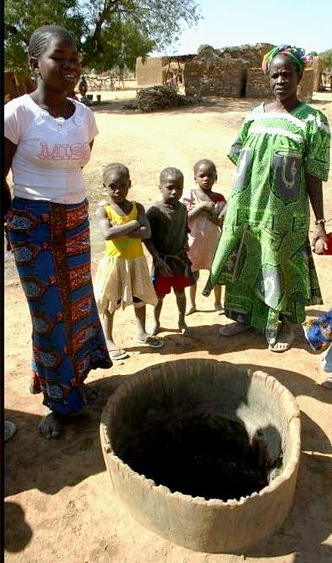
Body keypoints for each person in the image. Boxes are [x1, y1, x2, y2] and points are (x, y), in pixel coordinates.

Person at [3, 24, 110, 440]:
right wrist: (14, 224)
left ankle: (74, 381)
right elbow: (0, 177)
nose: (70, 67)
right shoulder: (17, 114)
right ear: (35, 64)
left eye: (75, 60)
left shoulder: (85, 117)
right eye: (59, 59)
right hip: (32, 223)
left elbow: (79, 165)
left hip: (74, 219)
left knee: (79, 305)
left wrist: (67, 210)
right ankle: (57, 402)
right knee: (49, 314)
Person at [206, 45, 329, 352]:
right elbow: (242, 158)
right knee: (246, 262)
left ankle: (282, 325)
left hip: (285, 214)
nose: (280, 80)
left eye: (287, 74)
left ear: (300, 76)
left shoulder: (313, 121)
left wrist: (320, 222)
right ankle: (243, 317)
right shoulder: (254, 117)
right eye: (274, 74)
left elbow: (313, 174)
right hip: (247, 209)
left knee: (280, 267)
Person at [93, 163, 159, 360]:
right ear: (104, 186)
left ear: (130, 184)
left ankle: (142, 332)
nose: (118, 190)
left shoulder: (137, 207)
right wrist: (134, 224)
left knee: (139, 298)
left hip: (135, 262)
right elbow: (108, 234)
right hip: (114, 263)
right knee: (110, 302)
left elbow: (147, 232)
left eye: (122, 185)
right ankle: (108, 339)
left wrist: (121, 229)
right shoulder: (103, 210)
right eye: (112, 186)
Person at [144, 167, 196, 338]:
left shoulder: (182, 209)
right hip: (162, 262)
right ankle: (156, 322)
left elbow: (184, 228)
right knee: (159, 296)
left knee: (180, 293)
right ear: (160, 187)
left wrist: (185, 244)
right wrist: (158, 260)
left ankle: (181, 320)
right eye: (170, 187)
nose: (175, 192)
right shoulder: (154, 212)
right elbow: (147, 238)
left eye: (179, 188)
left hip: (179, 260)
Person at [184, 159, 227, 314]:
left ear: (216, 177)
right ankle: (192, 304)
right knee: (192, 274)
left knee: (215, 273)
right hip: (193, 242)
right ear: (195, 178)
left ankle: (217, 303)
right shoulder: (190, 195)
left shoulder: (219, 198)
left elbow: (222, 221)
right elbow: (185, 218)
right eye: (201, 175)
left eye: (210, 175)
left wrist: (210, 214)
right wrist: (202, 206)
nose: (206, 179)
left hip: (212, 243)